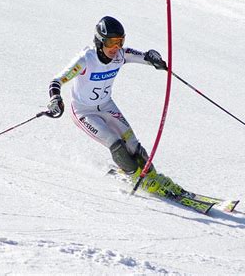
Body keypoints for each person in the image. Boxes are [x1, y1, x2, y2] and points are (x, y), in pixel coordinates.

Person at [46, 16, 182, 197]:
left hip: (107, 105)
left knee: (133, 144)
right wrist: (55, 99)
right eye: (111, 42)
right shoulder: (86, 59)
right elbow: (57, 80)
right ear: (100, 40)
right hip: (84, 112)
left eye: (120, 41)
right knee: (116, 143)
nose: (115, 48)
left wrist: (154, 60)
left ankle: (152, 177)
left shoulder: (120, 55)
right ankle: (135, 177)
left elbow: (145, 57)